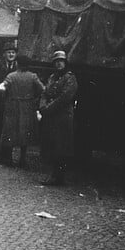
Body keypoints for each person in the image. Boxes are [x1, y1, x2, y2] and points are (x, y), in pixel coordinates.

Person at [39, 50, 78, 186]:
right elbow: (44, 93)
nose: (59, 64)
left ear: (65, 63)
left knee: (62, 147)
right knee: (51, 146)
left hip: (62, 116)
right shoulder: (52, 77)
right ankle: (52, 174)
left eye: (61, 61)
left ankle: (59, 176)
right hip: (51, 117)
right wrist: (42, 106)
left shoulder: (70, 78)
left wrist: (48, 108)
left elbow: (65, 97)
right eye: (56, 62)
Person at [0, 55, 44, 168]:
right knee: (25, 132)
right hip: (28, 107)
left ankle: (9, 159)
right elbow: (42, 89)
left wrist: (5, 99)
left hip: (12, 106)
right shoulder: (33, 76)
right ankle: (22, 158)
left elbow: (1, 89)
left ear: (18, 63)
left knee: (11, 131)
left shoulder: (11, 76)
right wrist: (35, 98)